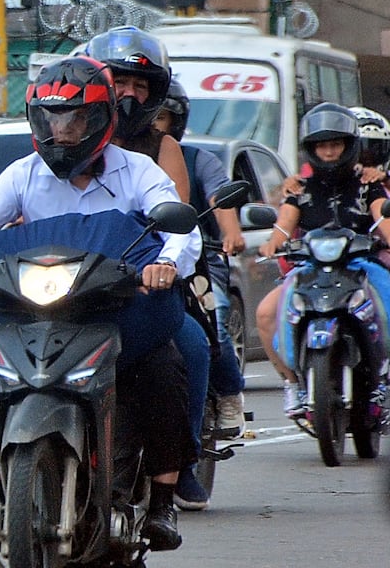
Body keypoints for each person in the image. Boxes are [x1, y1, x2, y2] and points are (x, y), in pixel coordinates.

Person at [0, 56, 197, 551]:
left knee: (168, 364)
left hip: (115, 307)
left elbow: (178, 231)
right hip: (35, 310)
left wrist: (165, 264)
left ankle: (164, 502)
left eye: (74, 118)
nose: (62, 131)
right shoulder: (22, 175)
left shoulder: (138, 170)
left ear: (101, 118)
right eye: (52, 120)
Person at [82, 26, 211, 511]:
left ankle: (182, 462)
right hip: (72, 277)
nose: (129, 94)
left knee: (193, 348)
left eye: (141, 86)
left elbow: (178, 216)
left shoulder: (163, 149)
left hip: (140, 279)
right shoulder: (61, 137)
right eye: (119, 82)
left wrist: (160, 265)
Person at [256, 102, 390, 420]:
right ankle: (294, 385)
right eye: (322, 145)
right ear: (311, 149)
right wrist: (270, 245)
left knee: (387, 302)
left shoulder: (368, 184)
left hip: (361, 266)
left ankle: (382, 377)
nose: (329, 152)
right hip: (310, 269)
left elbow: (382, 220)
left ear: (349, 145)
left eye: (335, 144)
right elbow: (282, 228)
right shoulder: (299, 189)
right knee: (264, 313)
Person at [153, 82, 249, 446]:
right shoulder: (117, 158)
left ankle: (228, 394)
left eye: (161, 116)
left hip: (200, 257)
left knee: (214, 319)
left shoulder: (197, 159)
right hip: (138, 258)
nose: (154, 123)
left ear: (176, 121)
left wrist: (230, 233)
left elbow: (220, 198)